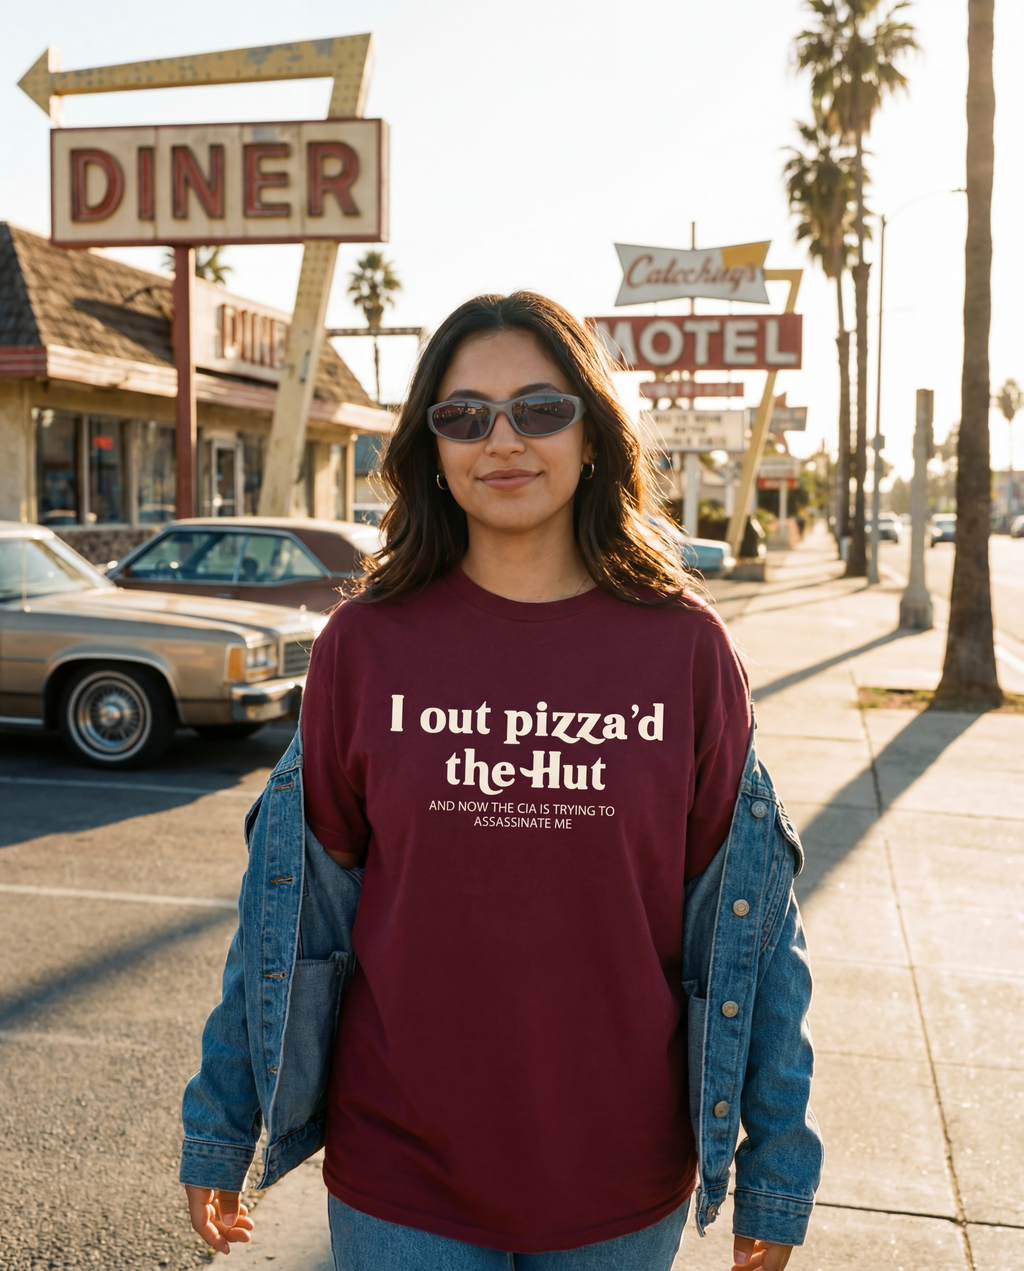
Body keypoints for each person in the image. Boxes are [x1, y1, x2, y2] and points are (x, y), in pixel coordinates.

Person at [181, 292, 822, 1270]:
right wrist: (222, 1118)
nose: (502, 440)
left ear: (593, 431)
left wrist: (776, 1163)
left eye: (540, 408)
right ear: (430, 446)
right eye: (464, 415)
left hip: (620, 1173)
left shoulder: (684, 650)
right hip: (401, 1164)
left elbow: (757, 928)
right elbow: (292, 908)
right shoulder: (365, 645)